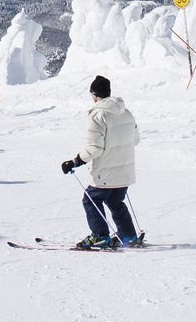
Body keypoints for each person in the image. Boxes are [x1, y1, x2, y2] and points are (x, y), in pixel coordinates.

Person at [59, 74, 142, 249]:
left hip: (105, 172)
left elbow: (94, 148)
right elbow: (135, 139)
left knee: (90, 199)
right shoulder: (126, 112)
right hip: (125, 171)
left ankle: (100, 236)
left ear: (94, 94)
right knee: (115, 201)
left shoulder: (97, 115)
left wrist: (74, 162)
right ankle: (128, 235)